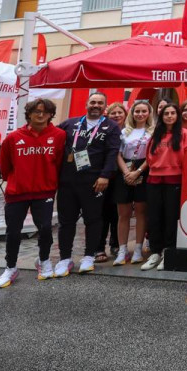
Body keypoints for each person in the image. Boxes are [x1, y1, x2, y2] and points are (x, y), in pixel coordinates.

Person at [0, 98, 65, 289]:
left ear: (51, 114)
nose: (40, 115)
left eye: (44, 112)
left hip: (44, 191)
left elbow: (59, 164)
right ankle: (10, 267)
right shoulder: (13, 138)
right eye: (36, 111)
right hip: (18, 192)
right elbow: (4, 166)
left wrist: (51, 182)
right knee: (13, 232)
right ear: (29, 114)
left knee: (44, 228)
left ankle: (43, 260)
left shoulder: (59, 136)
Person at [55, 92, 121, 278]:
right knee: (66, 221)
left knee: (93, 219)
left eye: (100, 103)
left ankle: (89, 256)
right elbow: (54, 139)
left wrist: (105, 176)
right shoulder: (69, 123)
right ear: (86, 104)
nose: (96, 105)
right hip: (67, 181)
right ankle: (64, 258)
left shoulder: (111, 126)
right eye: (93, 102)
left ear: (104, 106)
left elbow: (112, 152)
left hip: (93, 182)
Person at [142, 103, 187, 271]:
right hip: (154, 180)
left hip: (175, 180)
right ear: (161, 116)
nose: (170, 116)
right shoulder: (156, 134)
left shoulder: (184, 134)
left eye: (173, 113)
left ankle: (167, 252)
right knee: (154, 217)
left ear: (177, 116)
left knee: (171, 217)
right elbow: (149, 156)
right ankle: (155, 252)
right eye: (166, 113)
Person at [114, 100, 153, 266]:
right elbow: (118, 155)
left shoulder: (152, 132)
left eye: (144, 111)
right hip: (125, 170)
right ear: (132, 113)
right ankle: (122, 250)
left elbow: (152, 156)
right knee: (123, 213)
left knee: (141, 212)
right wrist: (126, 172)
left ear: (149, 113)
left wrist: (137, 172)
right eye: (137, 111)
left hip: (143, 170)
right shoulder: (124, 132)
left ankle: (137, 248)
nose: (140, 114)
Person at [93, 102, 128, 262]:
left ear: (125, 114)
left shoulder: (129, 131)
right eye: (113, 113)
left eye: (120, 112)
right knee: (102, 213)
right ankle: (99, 246)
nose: (117, 115)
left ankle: (115, 244)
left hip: (121, 177)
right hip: (104, 175)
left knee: (117, 213)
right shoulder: (102, 130)